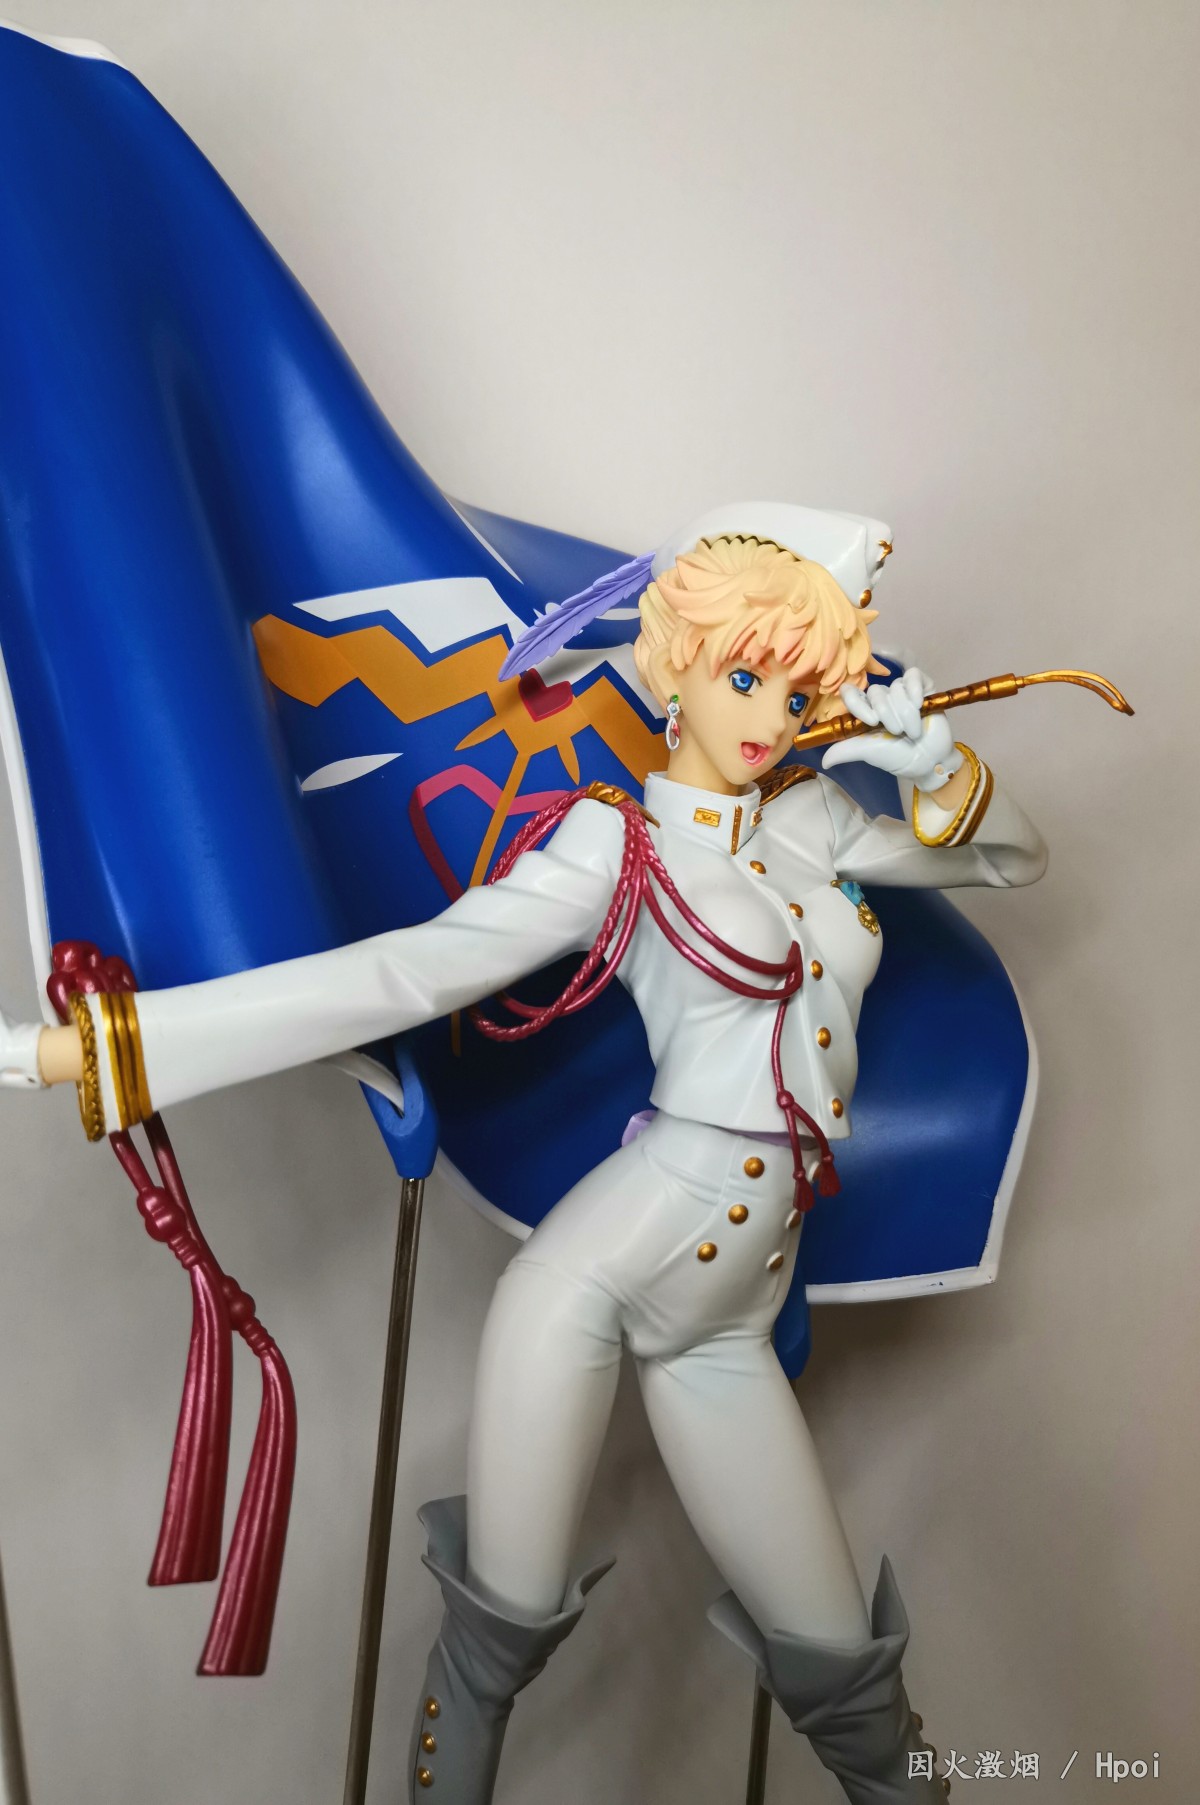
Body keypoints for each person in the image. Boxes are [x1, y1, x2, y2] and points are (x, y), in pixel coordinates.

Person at [1, 505, 1046, 1801]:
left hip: (729, 1311)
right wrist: (102, 1049)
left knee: (849, 1682)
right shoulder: (618, 843)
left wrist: (941, 766)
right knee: (497, 1640)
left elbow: (1012, 860)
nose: (770, 716)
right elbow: (406, 973)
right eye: (742, 676)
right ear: (676, 663)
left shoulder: (816, 822)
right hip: (596, 1275)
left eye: (797, 689)